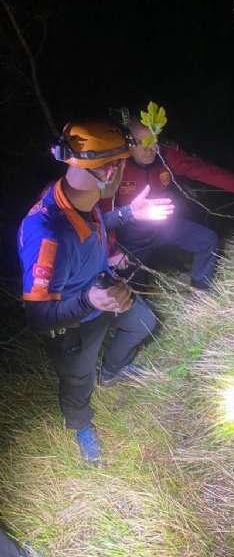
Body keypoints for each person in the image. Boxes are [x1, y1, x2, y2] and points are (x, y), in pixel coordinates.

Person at [17, 121, 174, 466]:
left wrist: (130, 213)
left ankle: (115, 371)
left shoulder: (76, 195)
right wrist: (91, 300)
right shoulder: (48, 234)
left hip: (101, 288)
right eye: (121, 163)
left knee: (144, 322)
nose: (124, 169)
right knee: (77, 382)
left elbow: (94, 226)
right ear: (109, 170)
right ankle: (81, 427)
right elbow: (38, 317)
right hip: (72, 324)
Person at [100, 116, 234, 289]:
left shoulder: (166, 156)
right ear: (128, 144)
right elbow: (102, 214)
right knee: (132, 287)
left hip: (164, 226)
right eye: (140, 143)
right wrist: (112, 249)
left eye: (152, 140)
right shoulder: (118, 167)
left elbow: (204, 171)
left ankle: (200, 291)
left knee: (207, 241)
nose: (149, 149)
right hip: (131, 238)